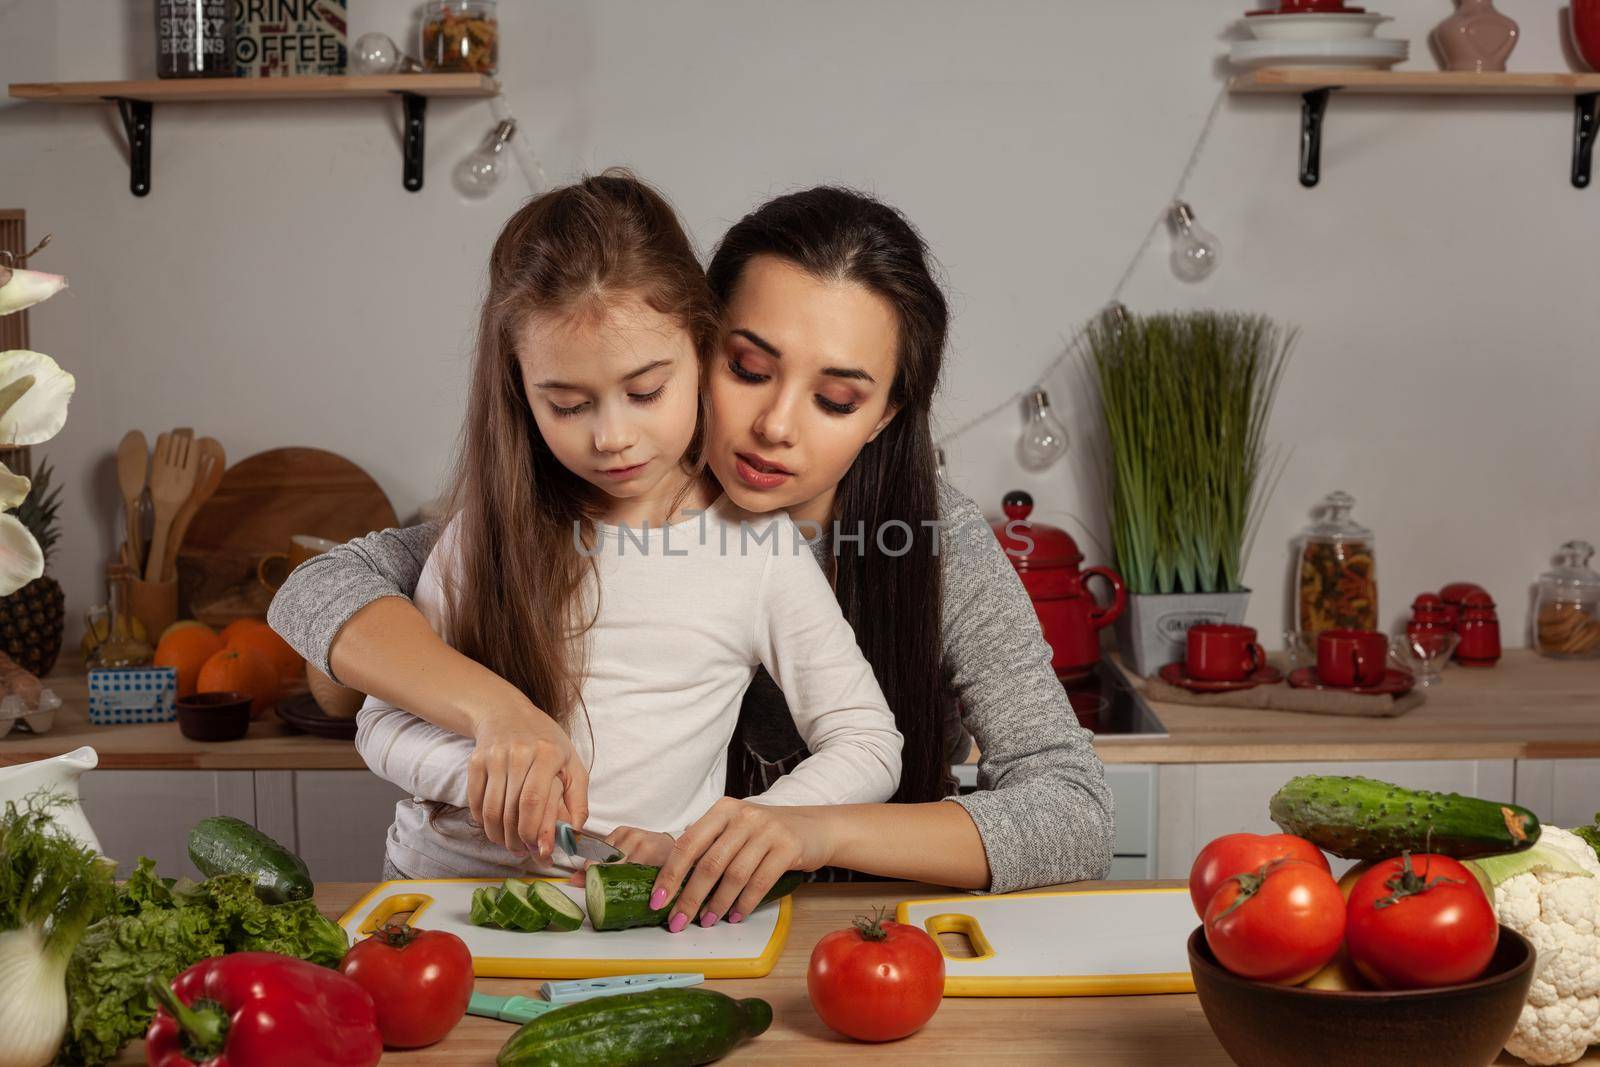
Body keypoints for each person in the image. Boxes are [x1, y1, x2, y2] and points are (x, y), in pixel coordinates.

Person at [270, 183, 1115, 934]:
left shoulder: (930, 545)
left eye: (835, 398)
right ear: (695, 339)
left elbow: (1070, 810)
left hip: (828, 930)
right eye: (748, 368)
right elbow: (321, 600)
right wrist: (493, 716)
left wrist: (808, 828)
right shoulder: (540, 506)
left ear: (887, 414)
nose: (776, 425)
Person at [311, 171, 903, 894]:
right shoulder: (484, 533)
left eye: (646, 391)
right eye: (567, 404)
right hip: (441, 894)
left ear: (703, 349)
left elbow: (868, 740)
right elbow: (380, 723)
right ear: (521, 391)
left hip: (631, 909)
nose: (612, 437)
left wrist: (737, 832)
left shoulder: (758, 549)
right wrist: (486, 770)